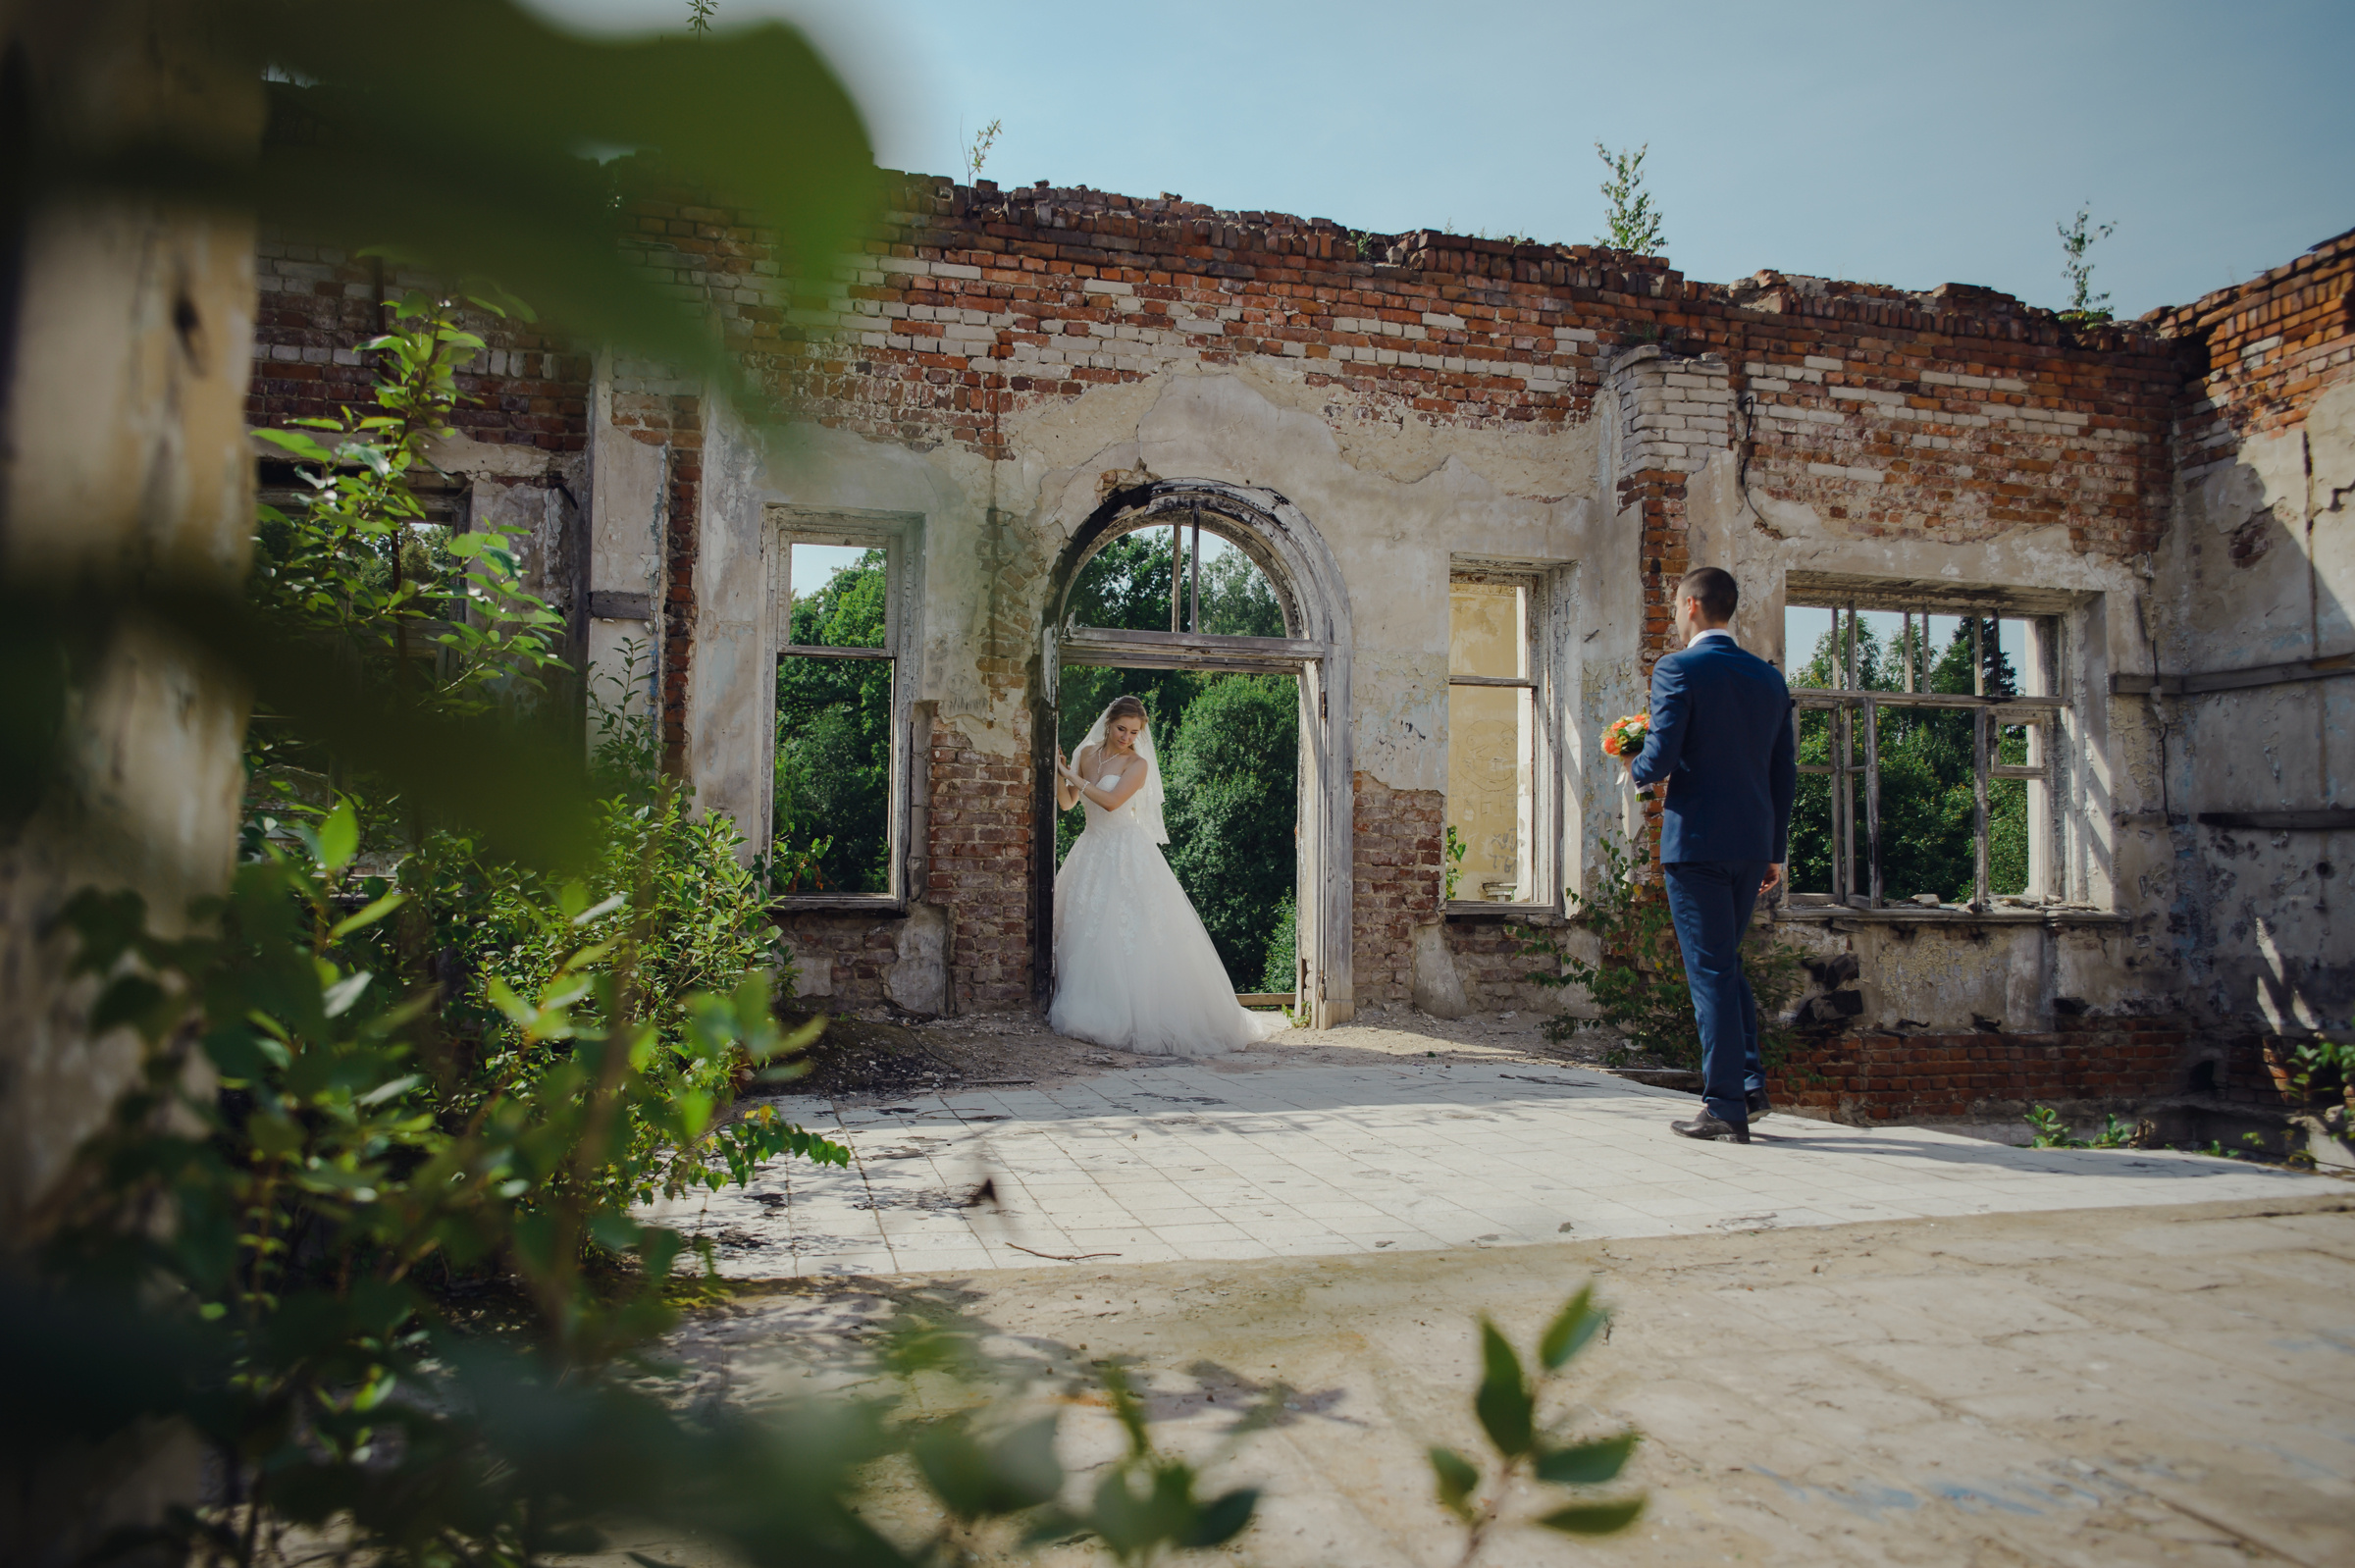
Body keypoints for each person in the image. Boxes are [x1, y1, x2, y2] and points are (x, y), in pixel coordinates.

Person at [1621, 567, 1797, 1144]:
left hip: (1696, 843)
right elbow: (1782, 771)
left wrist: (1634, 766)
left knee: (1711, 971)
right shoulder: (1768, 679)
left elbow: (1663, 754)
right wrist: (1774, 852)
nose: (1674, 614)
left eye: (1676, 605)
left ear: (1692, 605)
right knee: (1727, 963)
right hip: (1751, 846)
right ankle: (1747, 1084)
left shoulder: (1679, 668)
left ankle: (1723, 1106)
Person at [1049, 695, 1288, 1055]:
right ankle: (1094, 1008)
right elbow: (1068, 803)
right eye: (1121, 729)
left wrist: (1070, 776)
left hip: (1125, 852)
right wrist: (1059, 770)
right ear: (1108, 722)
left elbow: (1112, 803)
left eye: (1134, 732)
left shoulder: (1137, 764)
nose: (1127, 737)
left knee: (1131, 932)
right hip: (1090, 849)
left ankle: (1138, 1016)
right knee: (1088, 930)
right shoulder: (1086, 756)